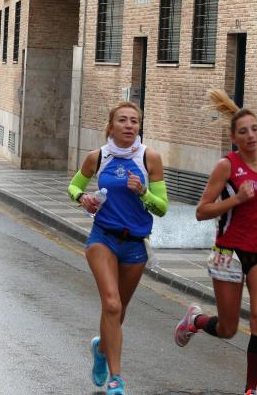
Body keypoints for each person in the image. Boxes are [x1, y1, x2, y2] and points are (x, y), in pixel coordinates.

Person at [173, 90, 257, 395]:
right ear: (234, 137)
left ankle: (250, 390)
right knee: (228, 329)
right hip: (229, 251)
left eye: (255, 129)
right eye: (243, 131)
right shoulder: (226, 166)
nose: (251, 135)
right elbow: (202, 211)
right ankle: (196, 320)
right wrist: (236, 199)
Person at [67, 101, 168, 395]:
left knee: (118, 312)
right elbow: (74, 186)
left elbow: (162, 208)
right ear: (111, 126)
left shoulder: (151, 158)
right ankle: (116, 377)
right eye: (122, 120)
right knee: (111, 304)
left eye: (134, 121)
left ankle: (101, 349)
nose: (128, 126)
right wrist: (81, 198)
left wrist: (144, 193)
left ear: (139, 127)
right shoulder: (98, 157)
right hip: (103, 237)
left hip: (135, 244)